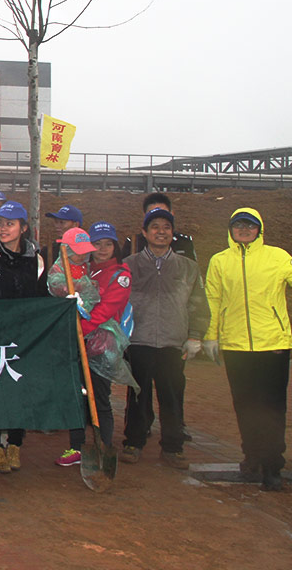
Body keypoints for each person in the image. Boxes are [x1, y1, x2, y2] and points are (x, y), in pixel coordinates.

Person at [204, 208, 292, 491]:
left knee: (272, 407)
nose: (244, 230)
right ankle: (251, 456)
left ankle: (272, 465)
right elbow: (212, 300)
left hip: (273, 346)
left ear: (259, 229)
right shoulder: (219, 261)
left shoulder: (278, 257)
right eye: (238, 225)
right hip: (236, 345)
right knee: (244, 404)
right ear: (230, 230)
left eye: (249, 226)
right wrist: (210, 336)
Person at [120, 207, 209, 470]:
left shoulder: (187, 267)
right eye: (155, 227)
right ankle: (133, 443)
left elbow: (198, 304)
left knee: (171, 396)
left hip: (173, 342)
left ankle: (173, 446)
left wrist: (195, 335)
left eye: (166, 228)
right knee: (137, 395)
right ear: (145, 233)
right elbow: (119, 302)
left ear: (172, 234)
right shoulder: (130, 265)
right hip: (139, 341)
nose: (161, 232)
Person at [0, 200, 48, 473]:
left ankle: (15, 444)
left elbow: (41, 298)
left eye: (10, 224)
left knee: (20, 392)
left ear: (23, 228)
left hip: (25, 338)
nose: (3, 229)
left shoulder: (36, 260)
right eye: (0, 224)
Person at [50, 221, 132, 467]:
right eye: (97, 243)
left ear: (116, 246)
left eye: (108, 244)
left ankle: (103, 445)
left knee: (100, 398)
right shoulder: (81, 268)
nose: (103, 249)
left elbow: (105, 310)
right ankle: (76, 447)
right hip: (75, 341)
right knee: (76, 396)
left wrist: (81, 329)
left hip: (101, 344)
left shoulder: (121, 275)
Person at [44, 228, 105, 468]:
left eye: (84, 252)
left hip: (92, 335)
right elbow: (62, 292)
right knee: (75, 390)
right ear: (66, 250)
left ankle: (102, 441)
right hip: (69, 337)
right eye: (77, 252)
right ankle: (76, 443)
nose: (82, 257)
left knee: (98, 390)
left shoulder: (88, 269)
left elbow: (93, 294)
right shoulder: (58, 273)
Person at [122, 193, 198, 260]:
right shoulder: (134, 244)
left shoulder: (184, 243)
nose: (161, 231)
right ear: (145, 216)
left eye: (163, 213)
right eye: (152, 214)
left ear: (172, 214)